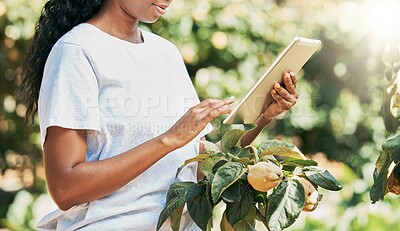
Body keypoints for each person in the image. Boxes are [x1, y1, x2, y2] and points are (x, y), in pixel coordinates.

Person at [19, 0, 299, 230]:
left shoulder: (165, 52)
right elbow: (65, 189)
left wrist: (264, 116)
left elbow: (203, 166)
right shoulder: (77, 51)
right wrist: (169, 139)